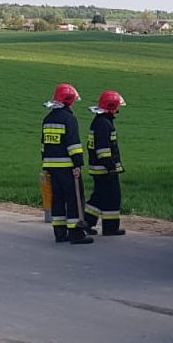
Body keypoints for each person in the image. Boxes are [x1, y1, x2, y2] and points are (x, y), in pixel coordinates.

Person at [41, 83, 93, 244]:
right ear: (69, 100)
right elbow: (73, 145)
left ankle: (59, 232)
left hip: (51, 167)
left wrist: (47, 165)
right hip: (67, 167)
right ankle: (76, 233)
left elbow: (44, 146)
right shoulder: (68, 119)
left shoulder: (47, 119)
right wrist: (77, 164)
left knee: (57, 199)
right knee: (74, 199)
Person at [84, 90, 127, 236]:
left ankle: (108, 226)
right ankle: (89, 222)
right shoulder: (104, 124)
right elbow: (103, 150)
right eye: (117, 107)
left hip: (101, 168)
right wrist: (111, 167)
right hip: (104, 169)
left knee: (106, 197)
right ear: (112, 106)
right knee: (106, 198)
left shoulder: (100, 121)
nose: (118, 110)